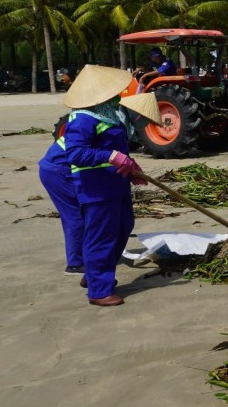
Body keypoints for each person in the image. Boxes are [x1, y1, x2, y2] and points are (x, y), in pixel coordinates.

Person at [61, 65, 161, 306]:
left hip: (115, 182)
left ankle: (93, 275)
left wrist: (131, 168)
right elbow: (75, 153)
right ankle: (99, 290)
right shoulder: (83, 118)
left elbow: (121, 149)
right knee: (101, 236)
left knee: (124, 226)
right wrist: (110, 157)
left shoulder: (110, 113)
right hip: (96, 187)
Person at [37, 133, 84, 277]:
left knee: (78, 215)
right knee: (76, 217)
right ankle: (75, 264)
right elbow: (84, 154)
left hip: (60, 168)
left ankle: (87, 254)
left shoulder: (102, 121)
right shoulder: (87, 122)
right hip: (58, 172)